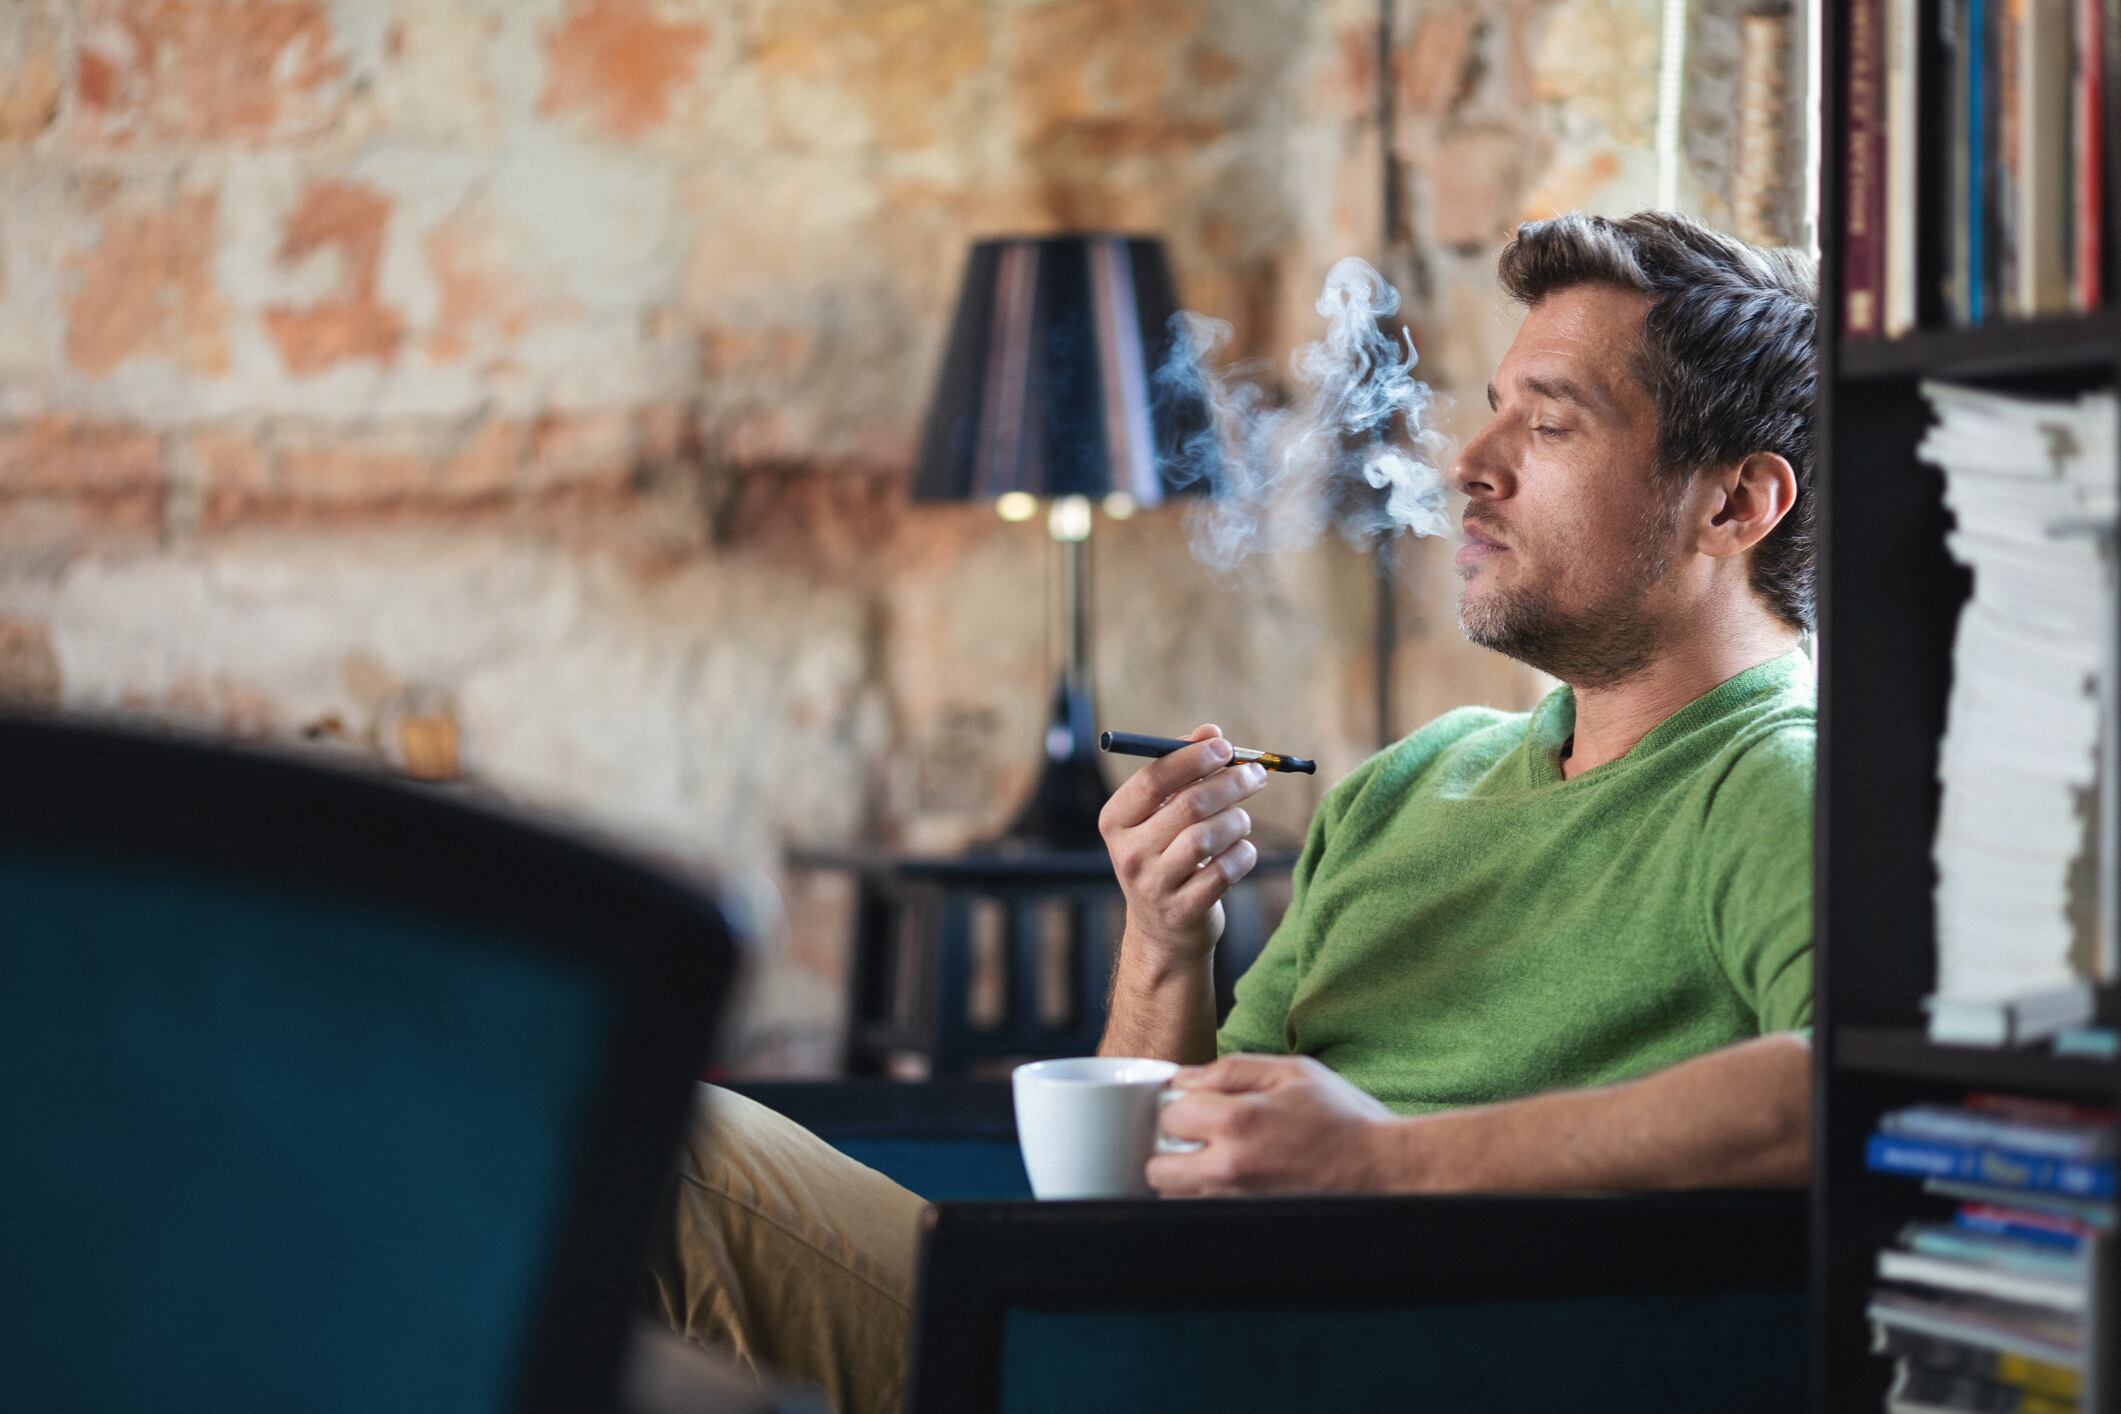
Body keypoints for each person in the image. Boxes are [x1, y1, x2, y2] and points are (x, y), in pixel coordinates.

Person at [645, 210, 1819, 1414]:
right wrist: (1164, 947)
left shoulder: (1779, 783)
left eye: (1553, 421)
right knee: (630, 1139)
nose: (1474, 459)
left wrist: (1393, 1164)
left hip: (1369, 1365)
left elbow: (1854, 1091)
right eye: (1496, 404)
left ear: (1735, 507)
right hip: (1165, 1336)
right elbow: (1154, 1179)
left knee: (647, 1167)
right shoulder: (1416, 784)